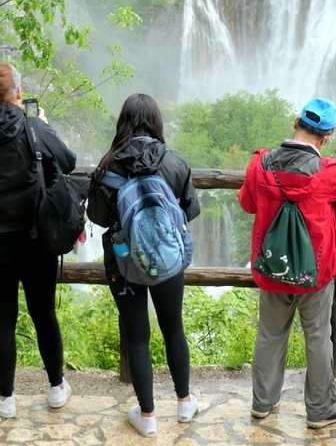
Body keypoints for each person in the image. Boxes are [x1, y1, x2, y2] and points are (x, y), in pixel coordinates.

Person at [238, 97, 336, 429]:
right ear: (326, 137)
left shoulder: (260, 165)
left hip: (273, 267)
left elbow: (247, 204)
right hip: (316, 272)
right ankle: (319, 411)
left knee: (270, 334)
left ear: (295, 122)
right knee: (317, 337)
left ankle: (262, 403)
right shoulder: (328, 173)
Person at [0, 63, 74, 419]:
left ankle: (6, 398)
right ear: (18, 93)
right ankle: (56, 388)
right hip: (35, 236)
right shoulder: (33, 126)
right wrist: (45, 125)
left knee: (3, 320)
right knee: (44, 313)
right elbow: (68, 161)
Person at [87, 93, 201, 438]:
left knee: (137, 337)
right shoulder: (174, 161)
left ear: (123, 122)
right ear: (156, 122)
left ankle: (148, 416)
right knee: (173, 329)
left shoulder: (108, 165)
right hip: (167, 261)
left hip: (123, 264)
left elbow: (96, 216)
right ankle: (184, 403)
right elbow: (190, 210)